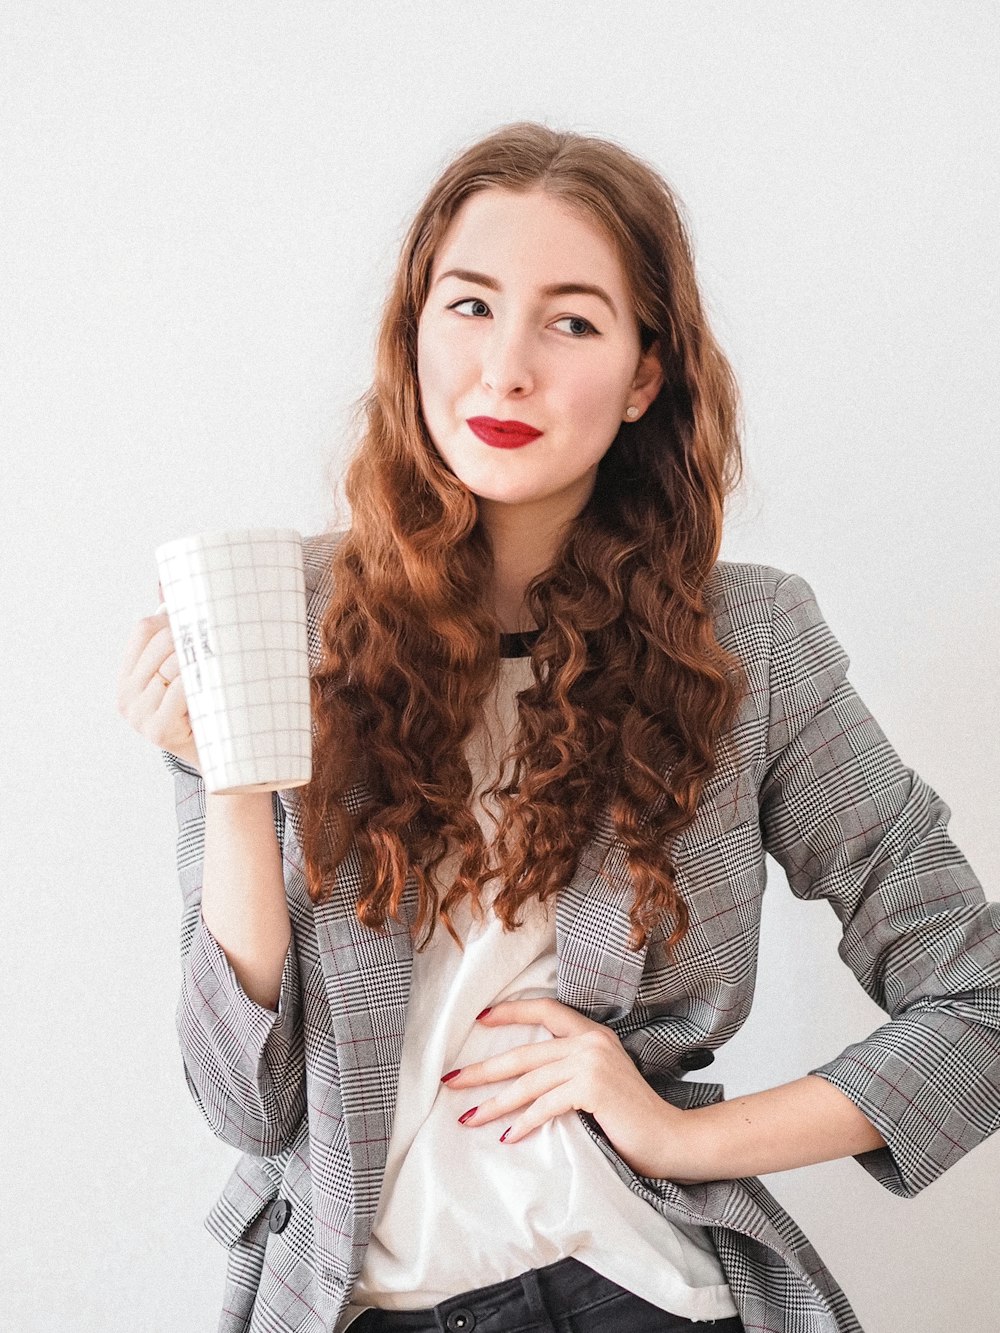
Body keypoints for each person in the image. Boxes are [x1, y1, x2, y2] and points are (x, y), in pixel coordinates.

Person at [117, 122, 1000, 1333]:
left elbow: (979, 1002)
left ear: (645, 374)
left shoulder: (750, 640)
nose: (506, 369)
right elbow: (244, 1102)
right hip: (357, 1300)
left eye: (572, 321)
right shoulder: (279, 616)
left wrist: (677, 1130)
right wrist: (228, 780)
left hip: (634, 1286)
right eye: (469, 306)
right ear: (414, 331)